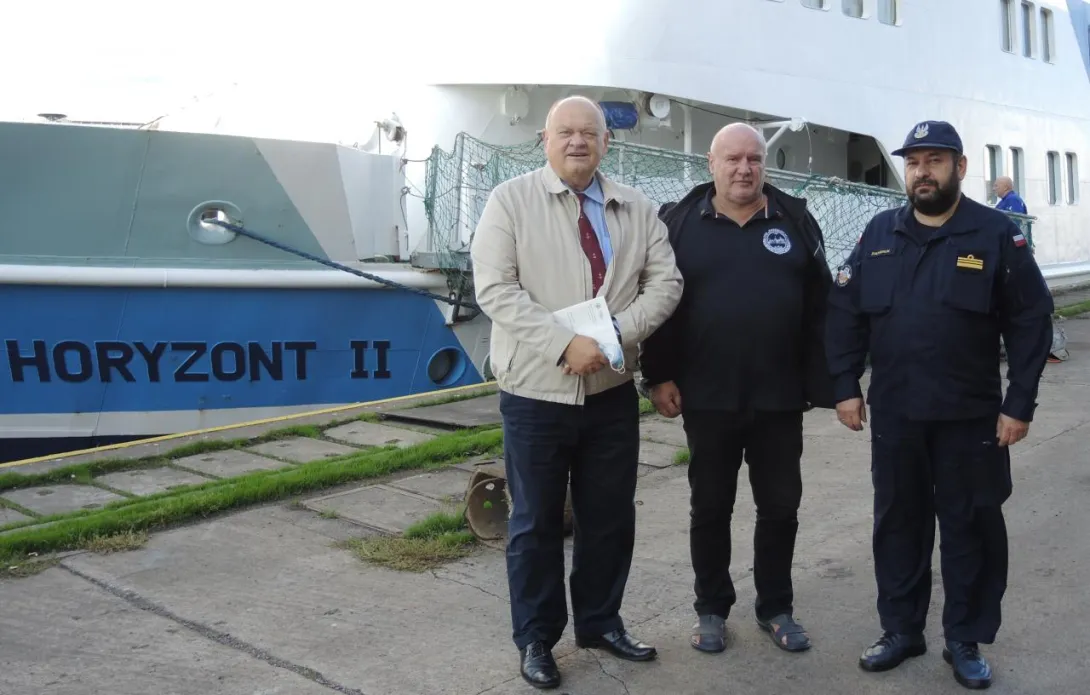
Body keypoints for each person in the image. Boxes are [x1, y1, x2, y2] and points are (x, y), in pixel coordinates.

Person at [825, 120, 1054, 690]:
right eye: (914, 162)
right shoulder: (880, 231)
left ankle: (964, 639)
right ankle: (902, 631)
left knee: (970, 526)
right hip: (896, 414)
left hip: (970, 416)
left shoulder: (994, 233)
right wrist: (845, 385)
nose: (922, 172)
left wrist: (1019, 403)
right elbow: (845, 311)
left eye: (934, 160)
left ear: (960, 167)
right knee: (897, 525)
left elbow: (1031, 320)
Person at [469, 95, 684, 690]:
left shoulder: (637, 208)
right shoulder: (510, 201)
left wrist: (615, 334)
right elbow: (496, 289)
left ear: (606, 142)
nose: (577, 141)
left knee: (609, 517)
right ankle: (537, 639)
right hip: (536, 392)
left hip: (610, 391)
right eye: (564, 132)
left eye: (588, 132)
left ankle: (600, 622)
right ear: (545, 140)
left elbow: (666, 283)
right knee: (535, 522)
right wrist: (564, 344)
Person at [639, 122, 837, 656]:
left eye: (754, 159)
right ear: (712, 163)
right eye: (733, 159)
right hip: (708, 397)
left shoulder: (795, 220)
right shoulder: (679, 223)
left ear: (764, 165)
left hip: (779, 397)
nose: (744, 169)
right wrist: (657, 375)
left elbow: (822, 307)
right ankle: (711, 609)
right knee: (710, 507)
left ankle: (776, 607)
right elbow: (657, 306)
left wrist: (831, 383)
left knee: (780, 508)